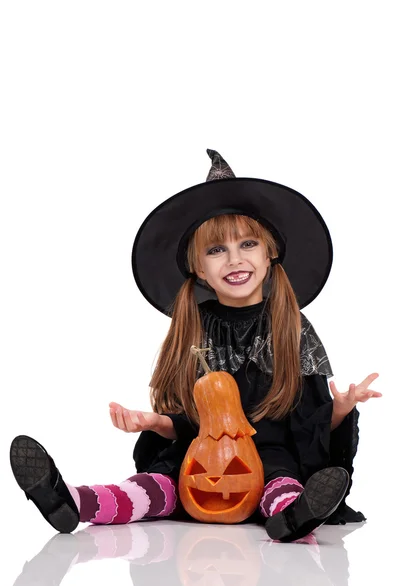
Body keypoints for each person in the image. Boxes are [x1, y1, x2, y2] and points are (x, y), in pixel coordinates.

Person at [10, 149, 381, 543]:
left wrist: (339, 409)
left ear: (270, 253)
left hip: (271, 454)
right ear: (198, 267)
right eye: (216, 250)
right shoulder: (194, 329)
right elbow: (186, 417)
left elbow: (309, 423)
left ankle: (293, 515)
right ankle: (74, 502)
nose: (234, 260)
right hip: (197, 454)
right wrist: (153, 422)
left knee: (280, 478)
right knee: (155, 484)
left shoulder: (292, 329)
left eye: (248, 244)